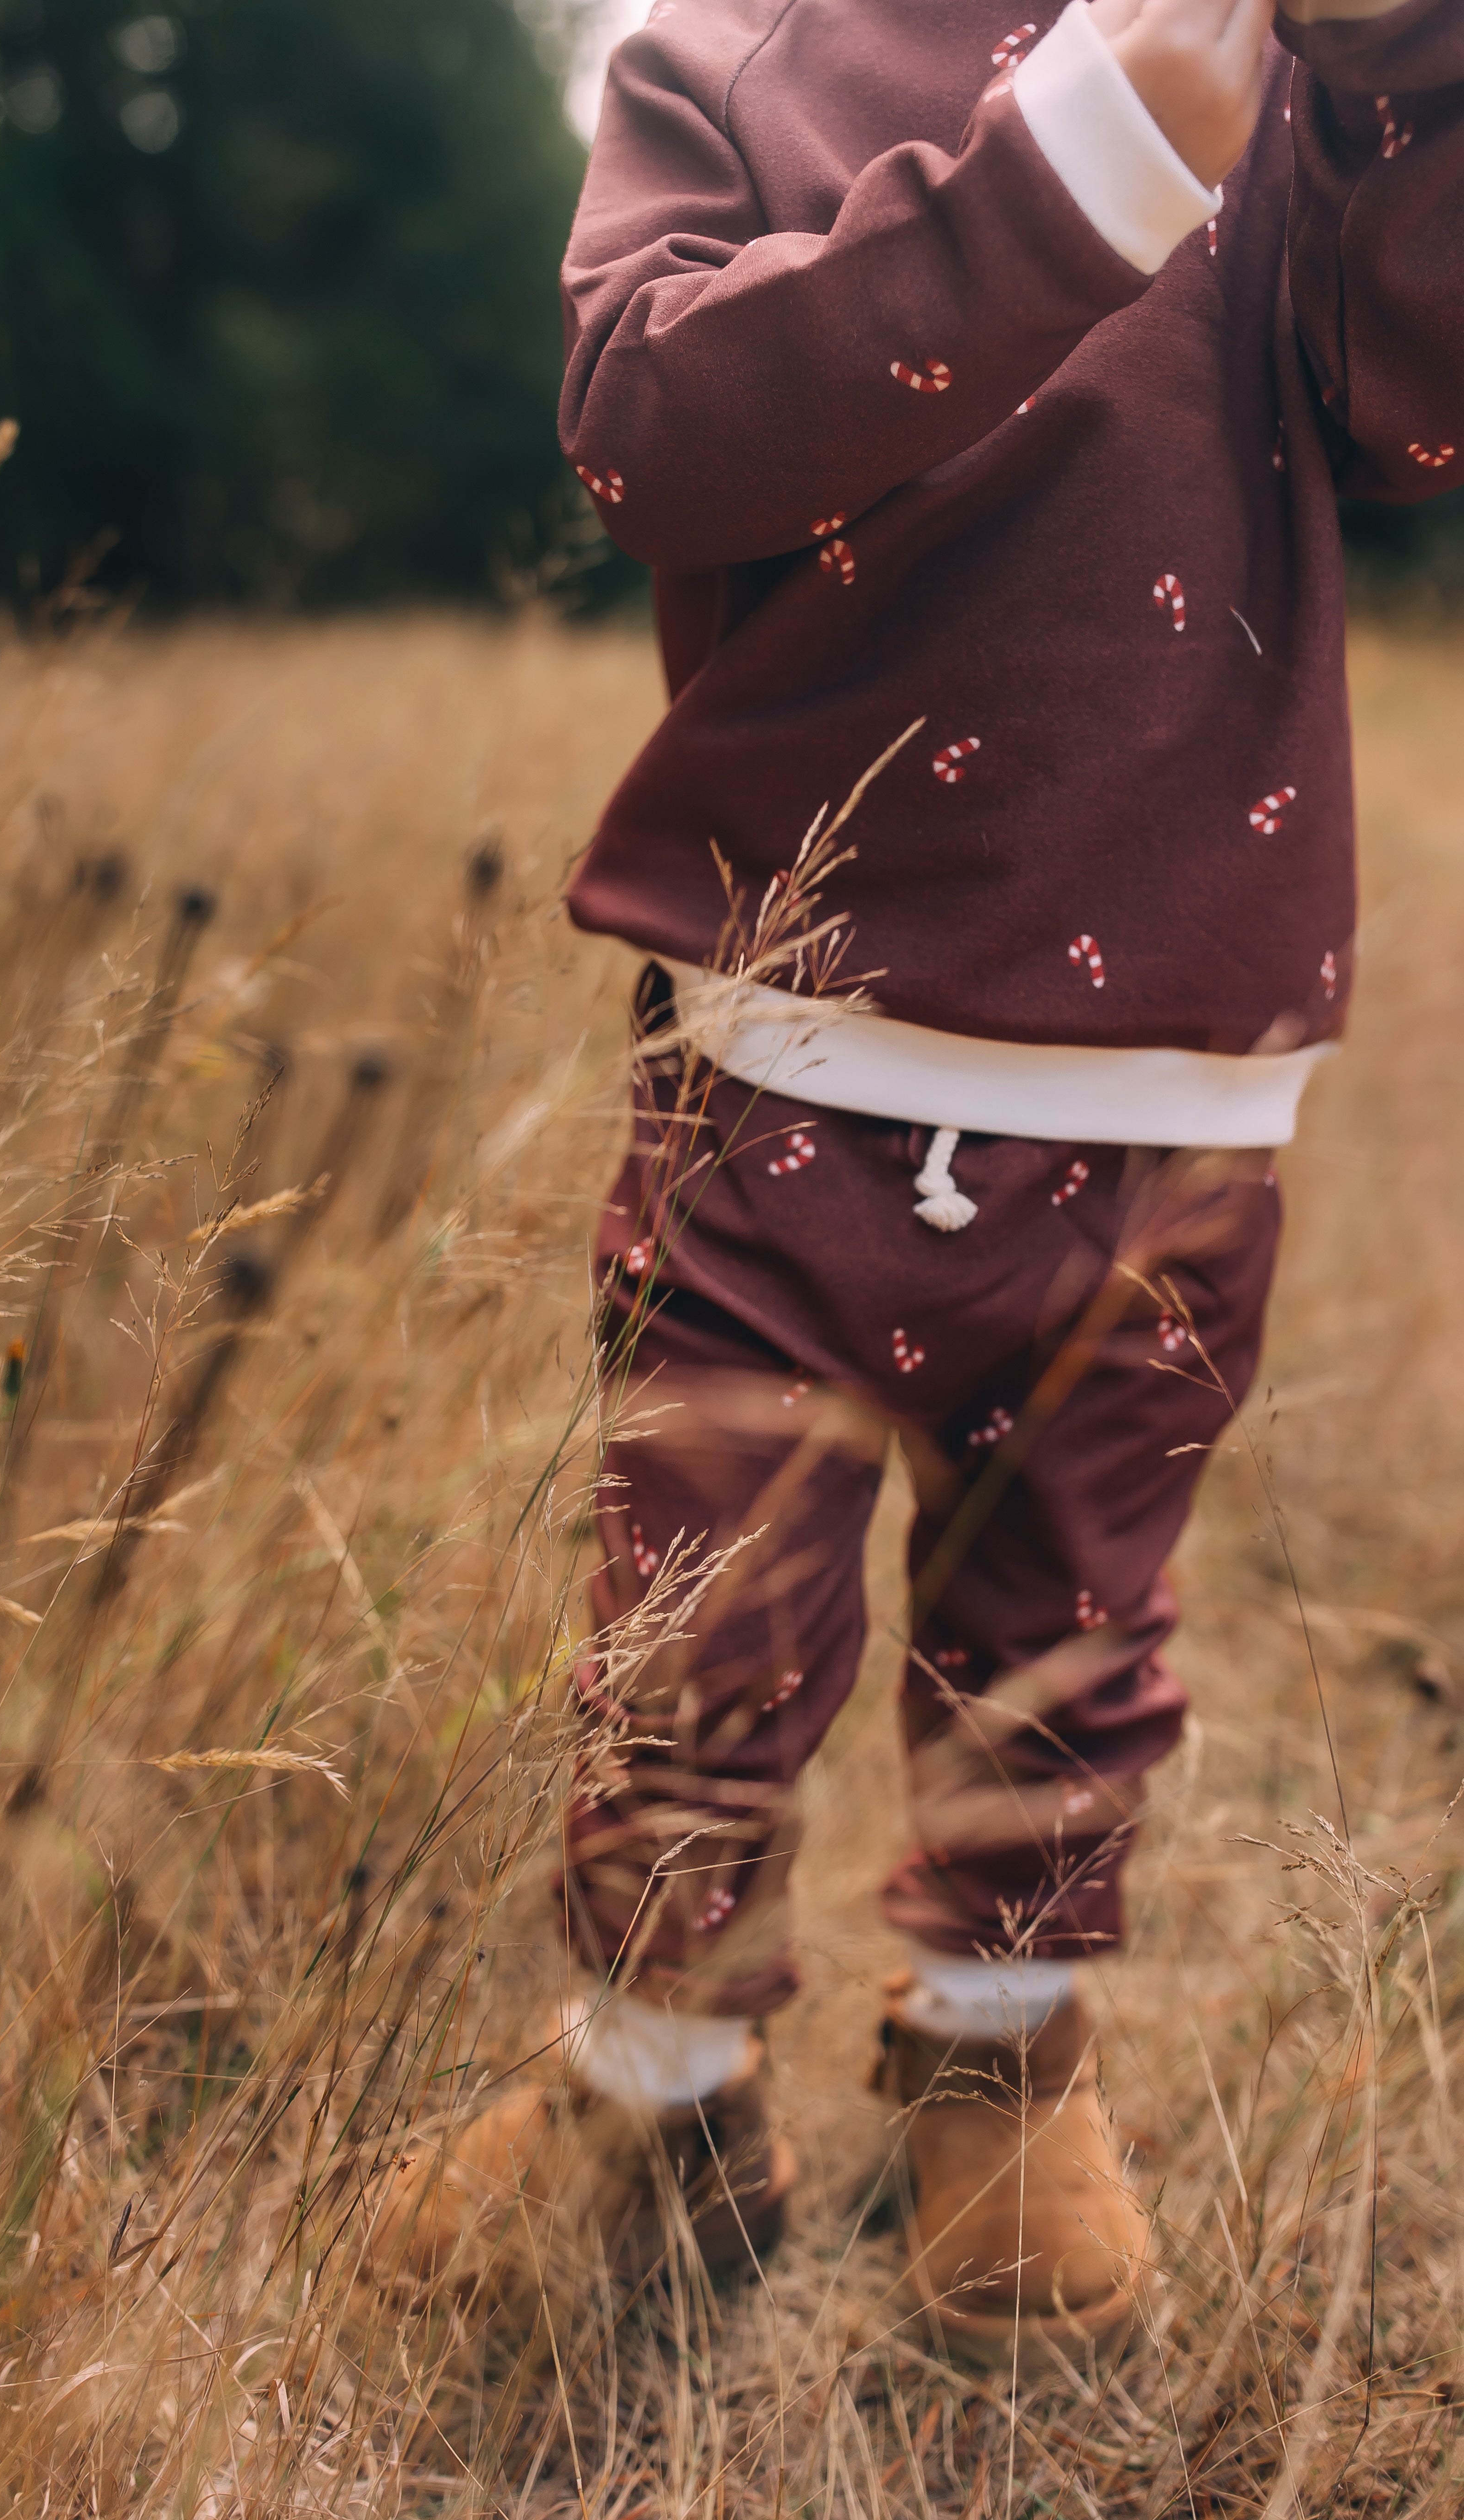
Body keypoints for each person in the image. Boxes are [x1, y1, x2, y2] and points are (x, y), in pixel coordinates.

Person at [370, 0, 1464, 2367]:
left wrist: (1401, 85)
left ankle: (1000, 2065)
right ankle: (654, 2098)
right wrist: (1072, 164)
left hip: (1175, 1057)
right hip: (794, 1034)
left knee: (1067, 1618)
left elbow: (1418, 400)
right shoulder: (720, 63)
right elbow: (651, 433)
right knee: (699, 1619)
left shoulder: (1292, 68)